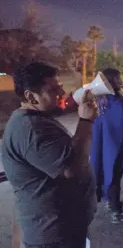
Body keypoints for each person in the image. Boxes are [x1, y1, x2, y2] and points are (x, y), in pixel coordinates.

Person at [1, 62, 97, 248]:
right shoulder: (31, 129)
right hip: (52, 237)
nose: (60, 93)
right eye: (53, 89)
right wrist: (85, 121)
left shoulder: (36, 120)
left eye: (59, 87)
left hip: (60, 230)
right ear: (30, 96)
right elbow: (71, 168)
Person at [90, 68, 123, 224]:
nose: (121, 81)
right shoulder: (115, 102)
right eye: (118, 79)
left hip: (107, 145)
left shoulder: (101, 101)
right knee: (114, 177)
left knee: (108, 173)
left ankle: (109, 201)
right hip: (117, 146)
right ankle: (116, 211)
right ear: (111, 81)